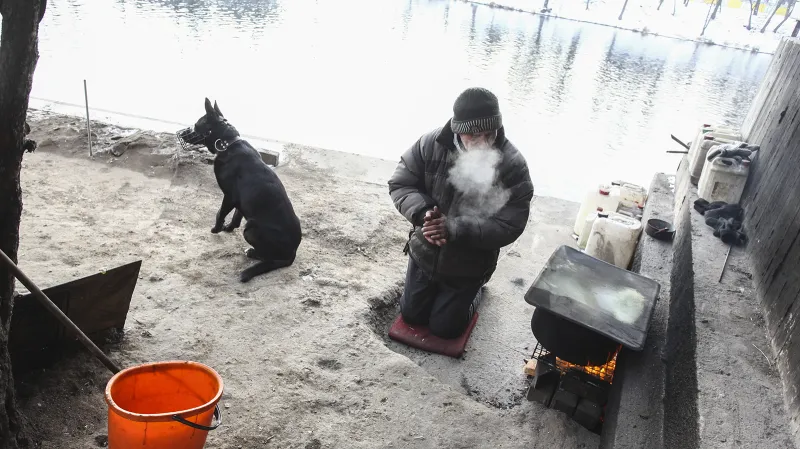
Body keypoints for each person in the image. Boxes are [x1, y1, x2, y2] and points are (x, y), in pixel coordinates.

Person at [388, 87, 534, 339]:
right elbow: (401, 183)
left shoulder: (512, 163)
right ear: (457, 130)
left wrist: (456, 228)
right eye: (474, 135)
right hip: (426, 251)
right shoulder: (429, 144)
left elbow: (511, 222)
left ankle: (476, 291)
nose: (483, 143)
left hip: (469, 262)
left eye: (490, 134)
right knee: (412, 315)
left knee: (445, 328)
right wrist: (424, 214)